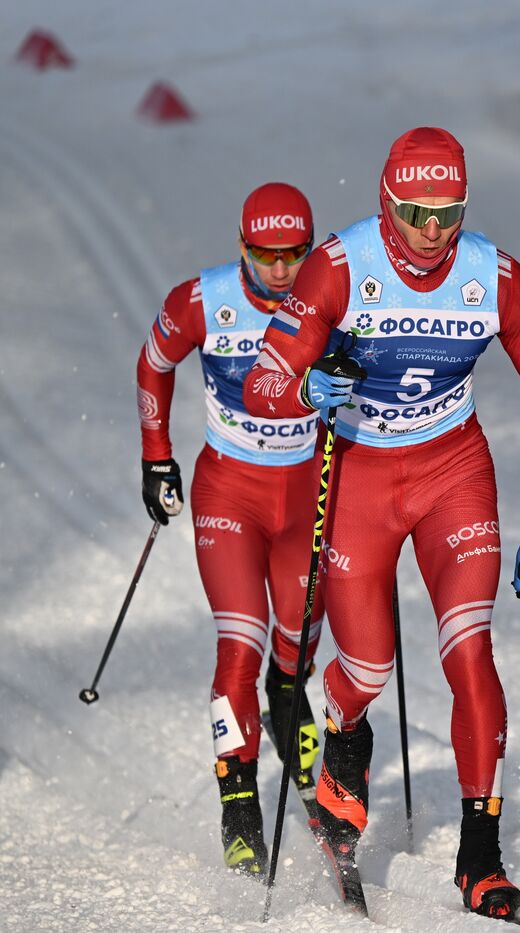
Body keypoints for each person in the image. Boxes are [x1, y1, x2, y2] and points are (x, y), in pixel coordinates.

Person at [243, 127, 520, 922]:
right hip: (358, 473)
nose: (431, 230)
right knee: (369, 669)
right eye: (414, 210)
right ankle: (343, 742)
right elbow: (263, 382)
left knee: (469, 648)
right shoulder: (337, 265)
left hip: (452, 467)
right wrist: (309, 385)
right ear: (384, 199)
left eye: (448, 212)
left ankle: (480, 855)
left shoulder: (493, 275)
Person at [135, 182, 323, 876]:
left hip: (306, 490)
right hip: (231, 493)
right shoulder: (203, 299)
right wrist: (158, 458)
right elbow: (154, 363)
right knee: (238, 640)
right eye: (266, 255)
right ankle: (239, 802)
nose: (280, 271)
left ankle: (286, 690)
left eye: (294, 255)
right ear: (241, 245)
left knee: (302, 632)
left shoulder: (330, 299)